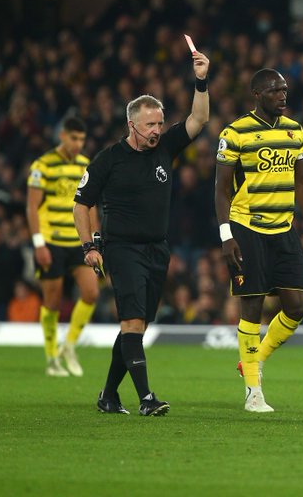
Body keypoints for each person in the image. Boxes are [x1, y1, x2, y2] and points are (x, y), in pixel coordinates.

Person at [74, 49, 210, 416]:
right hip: (122, 249)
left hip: (157, 250)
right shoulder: (108, 160)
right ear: (131, 125)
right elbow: (81, 205)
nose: (157, 131)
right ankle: (147, 399)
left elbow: (199, 118)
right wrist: (89, 246)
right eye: (150, 125)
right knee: (132, 322)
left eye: (160, 124)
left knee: (136, 328)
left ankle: (108, 396)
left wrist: (200, 80)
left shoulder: (165, 148)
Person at [215, 68, 303, 413]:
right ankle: (253, 392)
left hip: (284, 228)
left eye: (284, 89)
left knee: (297, 306)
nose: (282, 95)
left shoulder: (294, 131)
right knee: (252, 306)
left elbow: (302, 180)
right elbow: (220, 188)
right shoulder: (235, 133)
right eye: (274, 90)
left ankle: (254, 360)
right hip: (247, 227)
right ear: (257, 95)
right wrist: (227, 235)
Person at [27, 116, 99, 377]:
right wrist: (39, 244)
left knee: (91, 293)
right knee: (53, 301)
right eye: (74, 138)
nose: (78, 144)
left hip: (79, 242)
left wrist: (95, 241)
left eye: (82, 139)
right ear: (62, 136)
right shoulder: (43, 165)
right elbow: (31, 207)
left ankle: (68, 346)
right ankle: (51, 357)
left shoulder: (85, 165)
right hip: (51, 242)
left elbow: (90, 206)